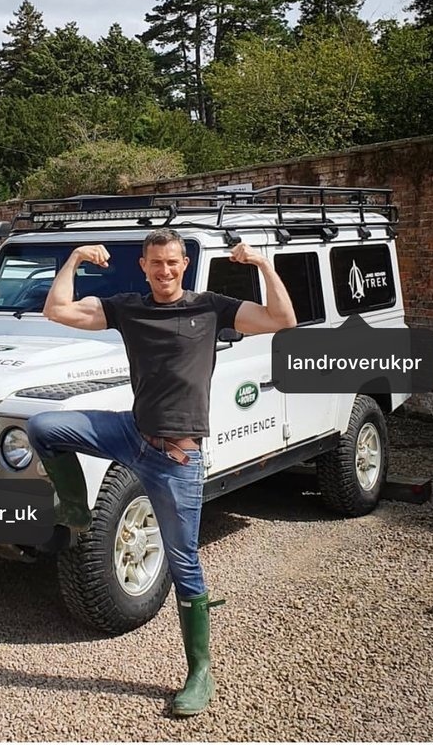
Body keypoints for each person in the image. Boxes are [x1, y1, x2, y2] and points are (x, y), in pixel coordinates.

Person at [27, 229, 297, 717]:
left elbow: (282, 319)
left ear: (184, 265)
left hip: (177, 458)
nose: (165, 270)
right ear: (144, 267)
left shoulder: (210, 308)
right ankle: (76, 512)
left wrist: (262, 264)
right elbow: (57, 310)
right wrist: (75, 257)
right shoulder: (129, 308)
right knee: (44, 426)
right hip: (131, 432)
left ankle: (200, 671)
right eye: (156, 263)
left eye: (172, 262)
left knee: (183, 561)